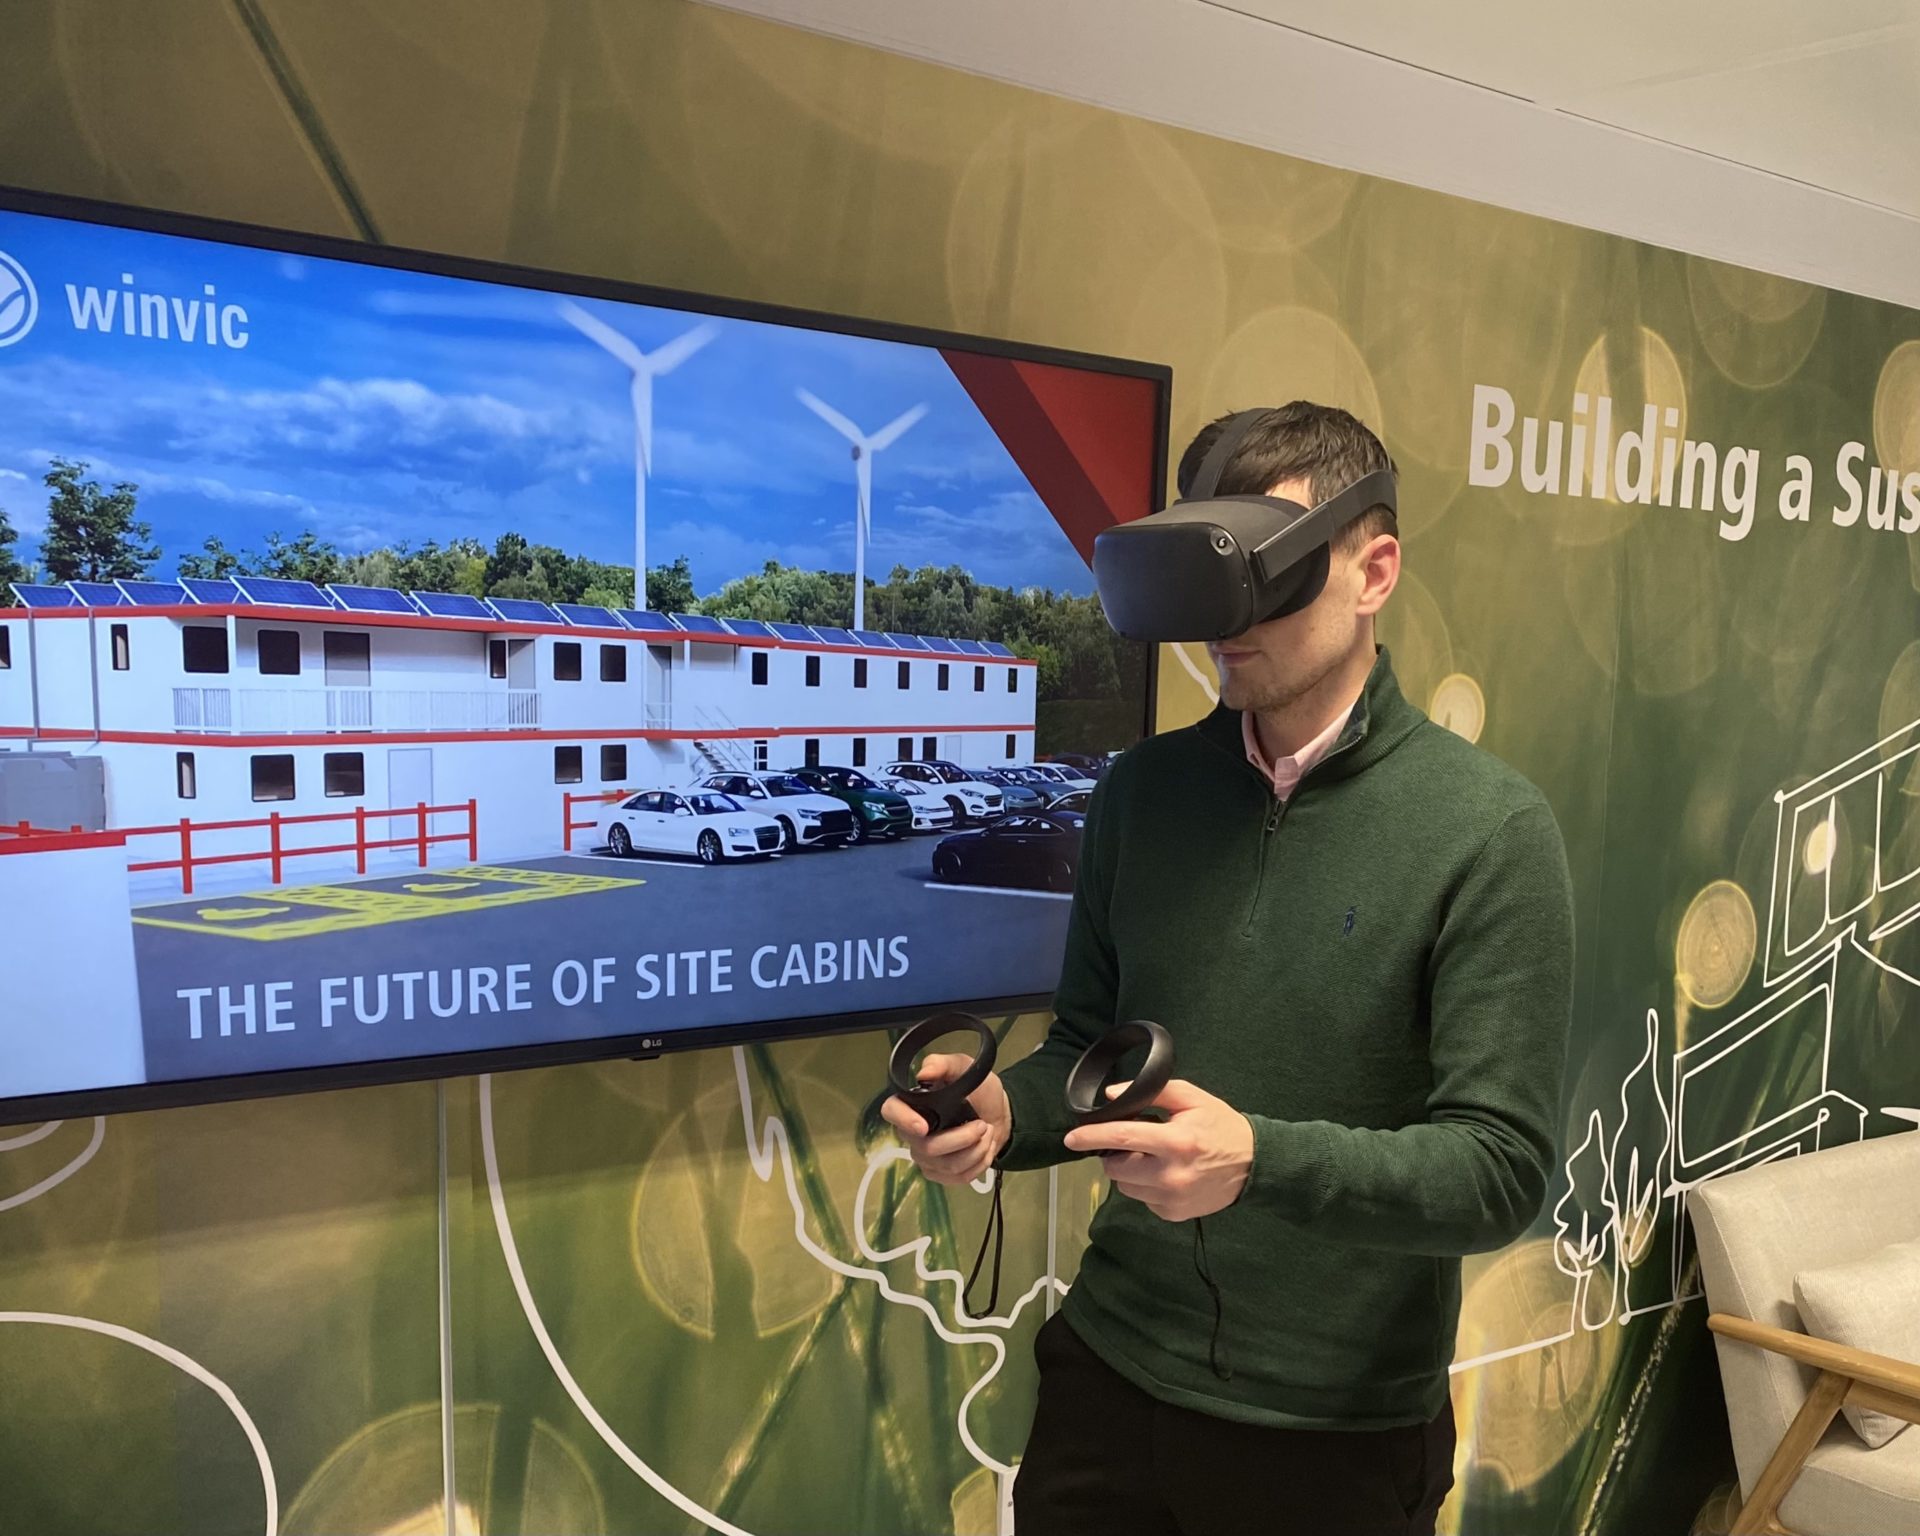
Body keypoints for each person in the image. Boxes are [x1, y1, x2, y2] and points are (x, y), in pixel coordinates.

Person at [882, 401, 1575, 1535]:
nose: (1227, 625)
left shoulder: (1487, 831)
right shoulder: (1140, 796)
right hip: (1108, 1384)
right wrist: (1001, 1110)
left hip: (1333, 1434)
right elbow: (1086, 1057)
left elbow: (1496, 1172)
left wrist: (1261, 1160)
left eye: (1272, 572)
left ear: (1374, 569)